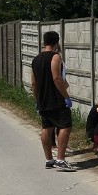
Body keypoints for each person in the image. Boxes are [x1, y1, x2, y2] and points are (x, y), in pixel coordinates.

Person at [30, 31, 76, 172]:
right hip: (56, 99)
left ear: (44, 42)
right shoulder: (55, 57)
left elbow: (33, 83)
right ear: (57, 42)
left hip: (43, 100)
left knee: (47, 128)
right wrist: (66, 97)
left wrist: (37, 100)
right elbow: (57, 78)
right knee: (65, 127)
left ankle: (49, 159)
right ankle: (60, 160)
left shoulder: (35, 59)